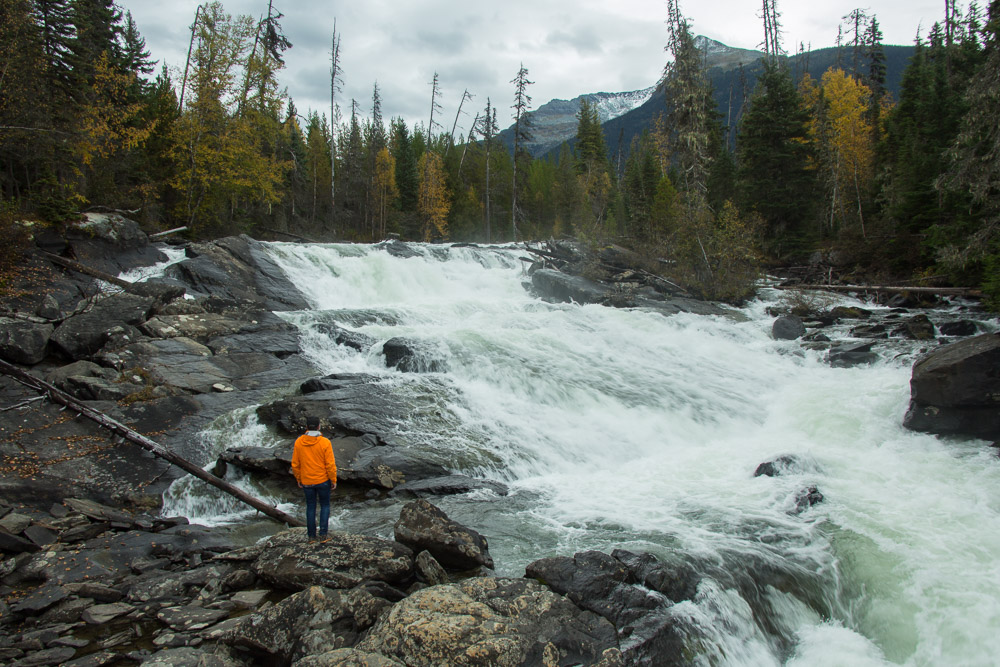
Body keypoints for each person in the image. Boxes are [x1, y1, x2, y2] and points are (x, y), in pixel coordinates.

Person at [290, 416, 337, 541]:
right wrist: (333, 480)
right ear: (319, 427)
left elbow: (295, 464)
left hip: (306, 481)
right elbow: (330, 465)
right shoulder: (325, 442)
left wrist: (298, 478)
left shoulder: (299, 442)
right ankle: (323, 534)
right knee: (325, 506)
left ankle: (311, 536)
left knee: (310, 507)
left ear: (306, 427)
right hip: (323, 480)